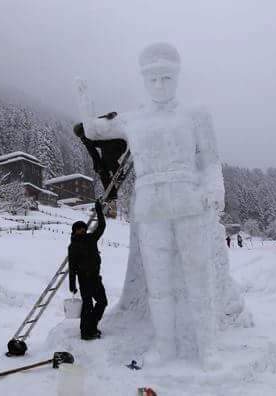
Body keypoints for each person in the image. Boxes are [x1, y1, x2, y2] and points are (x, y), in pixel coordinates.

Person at [77, 42, 249, 366]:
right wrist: (84, 101)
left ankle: (207, 347)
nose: (159, 85)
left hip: (187, 201)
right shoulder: (133, 119)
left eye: (166, 78)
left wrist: (216, 190)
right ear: (143, 80)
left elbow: (212, 161)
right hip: (150, 205)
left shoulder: (196, 114)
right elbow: (92, 130)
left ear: (177, 77)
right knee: (159, 284)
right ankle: (165, 346)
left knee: (198, 277)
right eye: (153, 79)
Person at [68, 200, 108, 340]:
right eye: (79, 229)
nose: (82, 230)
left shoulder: (91, 238)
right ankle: (86, 333)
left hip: (95, 278)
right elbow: (72, 267)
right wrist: (72, 285)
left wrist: (99, 211)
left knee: (102, 302)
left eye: (84, 228)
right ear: (74, 231)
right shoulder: (73, 246)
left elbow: (101, 226)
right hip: (84, 279)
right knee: (87, 305)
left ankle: (91, 326)